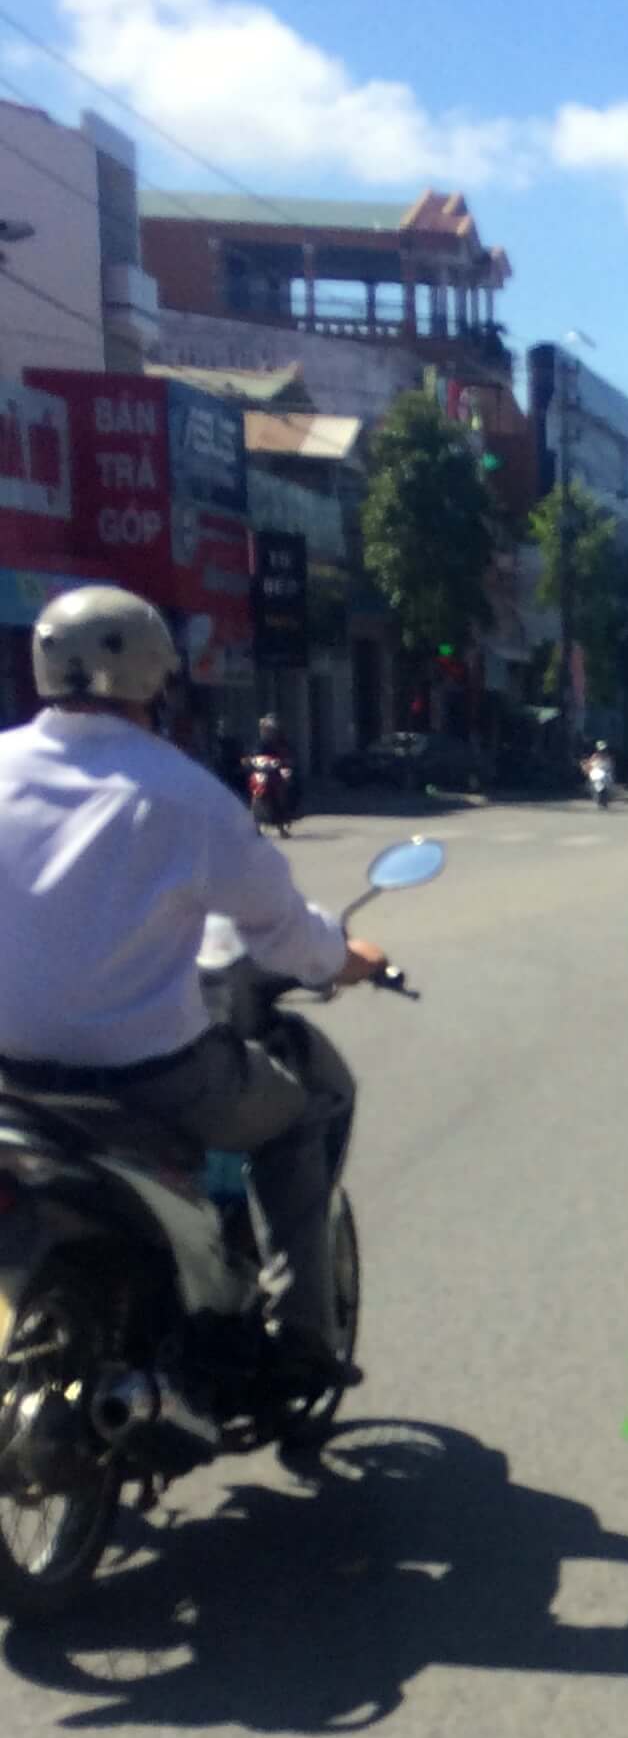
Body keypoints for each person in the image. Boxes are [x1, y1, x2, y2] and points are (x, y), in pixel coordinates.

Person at [0, 585, 387, 1382]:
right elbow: (285, 932)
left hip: (14, 1077)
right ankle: (301, 1341)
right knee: (299, 1113)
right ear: (155, 676)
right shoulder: (184, 794)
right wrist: (349, 958)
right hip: (152, 1079)